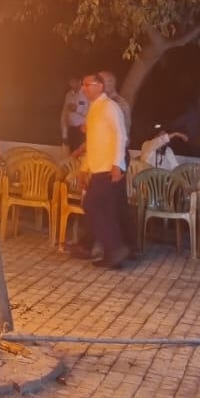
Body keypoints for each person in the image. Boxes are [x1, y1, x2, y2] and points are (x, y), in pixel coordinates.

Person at [78, 72, 130, 268]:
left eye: (88, 85)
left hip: (109, 168)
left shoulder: (110, 107)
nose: (84, 88)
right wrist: (84, 168)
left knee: (92, 205)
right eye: (83, 85)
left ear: (99, 86)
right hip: (98, 167)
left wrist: (117, 164)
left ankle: (115, 248)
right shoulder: (94, 109)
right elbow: (92, 142)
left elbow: (121, 135)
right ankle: (114, 254)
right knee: (106, 211)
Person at [60, 77, 88, 154]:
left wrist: (77, 109)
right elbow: (64, 114)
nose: (71, 84)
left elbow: (92, 113)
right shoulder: (69, 94)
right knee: (72, 155)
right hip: (71, 130)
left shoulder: (87, 94)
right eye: (69, 82)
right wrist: (64, 135)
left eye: (73, 81)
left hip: (83, 131)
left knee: (82, 156)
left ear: (79, 81)